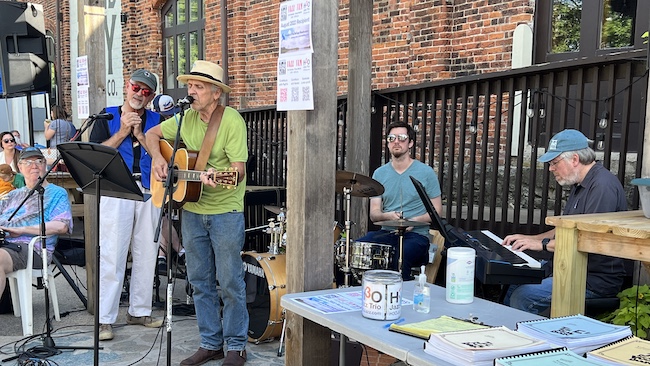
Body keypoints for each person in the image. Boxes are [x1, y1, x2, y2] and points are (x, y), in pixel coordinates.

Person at [146, 60, 249, 366]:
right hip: (191, 209)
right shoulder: (183, 119)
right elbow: (151, 135)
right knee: (199, 280)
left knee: (230, 281)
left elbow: (238, 171)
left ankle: (236, 345)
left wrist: (217, 175)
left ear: (216, 93)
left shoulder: (230, 120)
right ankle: (211, 342)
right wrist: (157, 160)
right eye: (190, 85)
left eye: (198, 87)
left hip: (225, 211)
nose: (191, 91)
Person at [502, 129, 627, 315]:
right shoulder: (580, 183)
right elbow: (564, 230)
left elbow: (587, 241)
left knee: (523, 296)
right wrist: (530, 238)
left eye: (554, 163)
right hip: (569, 268)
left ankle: (530, 340)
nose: (551, 168)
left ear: (574, 159)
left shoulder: (602, 186)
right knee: (515, 280)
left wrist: (541, 245)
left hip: (592, 279)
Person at [89, 68, 163, 341]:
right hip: (116, 189)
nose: (139, 94)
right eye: (136, 87)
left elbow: (164, 156)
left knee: (147, 251)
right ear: (127, 86)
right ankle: (105, 319)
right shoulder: (106, 116)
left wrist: (142, 135)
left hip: (149, 188)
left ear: (151, 96)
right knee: (112, 253)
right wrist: (122, 131)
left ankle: (140, 310)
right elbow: (97, 155)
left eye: (146, 91)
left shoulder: (158, 120)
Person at [355, 121, 443, 280]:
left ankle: (401, 299)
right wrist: (389, 216)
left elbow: (436, 212)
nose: (396, 141)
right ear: (387, 143)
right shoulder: (379, 174)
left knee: (399, 256)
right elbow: (374, 214)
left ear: (410, 143)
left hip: (417, 236)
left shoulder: (426, 172)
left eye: (402, 137)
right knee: (356, 249)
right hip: (386, 233)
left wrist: (412, 221)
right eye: (391, 138)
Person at [0, 148, 72, 296]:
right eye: (28, 162)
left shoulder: (57, 193)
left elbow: (62, 226)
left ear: (45, 165)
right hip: (5, 243)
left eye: (39, 161)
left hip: (33, 248)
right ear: (19, 167)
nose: (34, 166)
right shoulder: (12, 195)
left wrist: (22, 230)